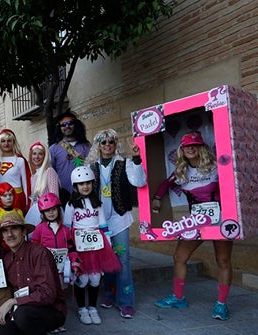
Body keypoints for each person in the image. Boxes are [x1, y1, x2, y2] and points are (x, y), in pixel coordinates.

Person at [152, 132, 233, 320]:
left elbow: (231, 187)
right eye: (186, 146)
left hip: (220, 221)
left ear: (201, 148)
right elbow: (165, 184)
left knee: (223, 261)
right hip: (196, 222)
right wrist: (157, 198)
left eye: (194, 145)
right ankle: (178, 298)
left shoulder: (215, 167)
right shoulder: (181, 172)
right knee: (179, 257)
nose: (190, 148)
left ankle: (221, 305)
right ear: (182, 149)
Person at [0, 212, 66, 335]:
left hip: (50, 310)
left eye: (14, 228)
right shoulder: (7, 258)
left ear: (24, 231)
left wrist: (13, 301)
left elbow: (48, 294)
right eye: (5, 230)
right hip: (21, 312)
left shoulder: (39, 252)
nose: (9, 234)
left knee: (23, 314)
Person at [86, 129, 147, 319]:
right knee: (106, 259)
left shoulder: (124, 163)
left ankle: (126, 301)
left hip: (120, 219)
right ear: (98, 145)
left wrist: (137, 158)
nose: (107, 145)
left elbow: (139, 181)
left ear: (115, 143)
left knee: (122, 259)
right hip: (99, 221)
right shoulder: (92, 167)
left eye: (110, 141)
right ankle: (110, 294)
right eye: (103, 142)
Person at [64, 166, 121, 325]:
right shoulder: (71, 205)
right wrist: (70, 248)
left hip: (96, 245)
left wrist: (107, 243)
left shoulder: (98, 203)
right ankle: (82, 308)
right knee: (82, 278)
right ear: (75, 186)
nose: (85, 186)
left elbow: (103, 224)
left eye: (88, 183)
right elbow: (68, 227)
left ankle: (92, 307)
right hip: (79, 245)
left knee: (95, 278)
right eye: (81, 184)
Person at [30, 192, 76, 333]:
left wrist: (75, 263)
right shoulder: (39, 229)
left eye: (53, 209)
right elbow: (34, 246)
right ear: (42, 213)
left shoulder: (66, 230)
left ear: (58, 209)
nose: (51, 213)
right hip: (46, 270)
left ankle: (60, 321)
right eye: (47, 210)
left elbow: (71, 247)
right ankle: (49, 322)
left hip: (62, 270)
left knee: (61, 296)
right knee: (49, 295)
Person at [49, 111, 92, 205]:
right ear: (59, 128)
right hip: (65, 195)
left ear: (76, 125)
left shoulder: (87, 146)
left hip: (87, 193)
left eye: (70, 123)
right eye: (63, 125)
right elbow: (51, 173)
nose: (67, 126)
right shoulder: (53, 149)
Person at [0, 128, 31, 214]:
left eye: (9, 141)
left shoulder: (20, 160)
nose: (6, 144)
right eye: (3, 141)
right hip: (0, 199)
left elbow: (26, 184)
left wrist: (27, 203)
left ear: (13, 142)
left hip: (17, 198)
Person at [25, 141, 61, 226]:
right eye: (34, 154)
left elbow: (54, 196)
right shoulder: (33, 176)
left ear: (45, 156)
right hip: (35, 213)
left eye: (40, 154)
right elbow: (33, 199)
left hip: (48, 213)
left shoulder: (49, 171)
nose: (36, 157)